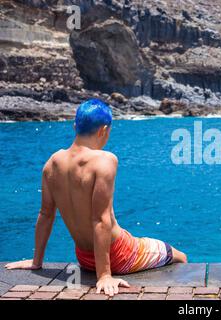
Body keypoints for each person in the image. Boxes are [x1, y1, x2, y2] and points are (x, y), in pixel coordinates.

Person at [5, 99, 187, 296]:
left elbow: (45, 214)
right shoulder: (104, 161)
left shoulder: (53, 162)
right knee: (179, 256)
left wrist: (36, 262)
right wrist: (104, 275)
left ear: (75, 126)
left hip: (84, 257)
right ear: (103, 130)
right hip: (121, 254)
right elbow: (100, 220)